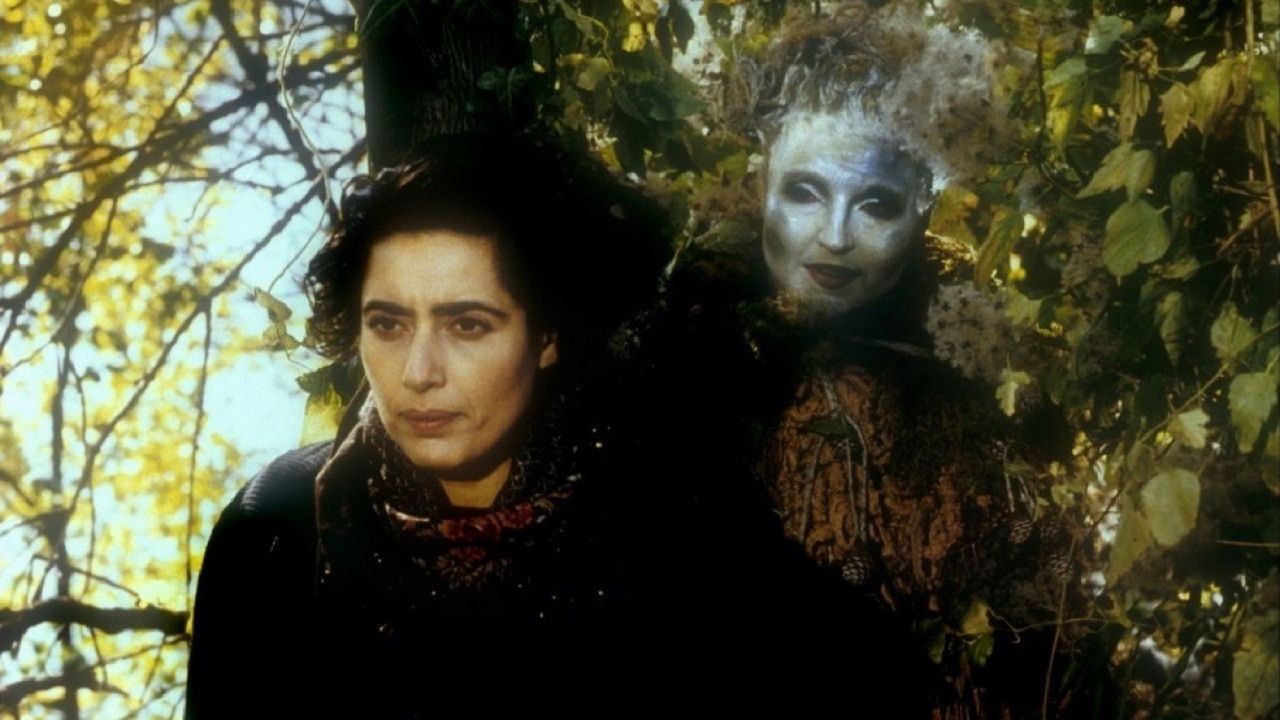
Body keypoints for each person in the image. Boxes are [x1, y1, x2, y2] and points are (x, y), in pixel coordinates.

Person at [630, 3, 1095, 715]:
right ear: (762, 183)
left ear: (924, 210)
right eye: (804, 192)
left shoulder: (984, 386)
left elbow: (1046, 656)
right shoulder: (670, 356)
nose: (837, 237)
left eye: (877, 204)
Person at [185, 133, 678, 716]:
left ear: (547, 337)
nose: (418, 373)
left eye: (467, 325)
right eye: (388, 325)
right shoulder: (277, 524)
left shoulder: (670, 526)